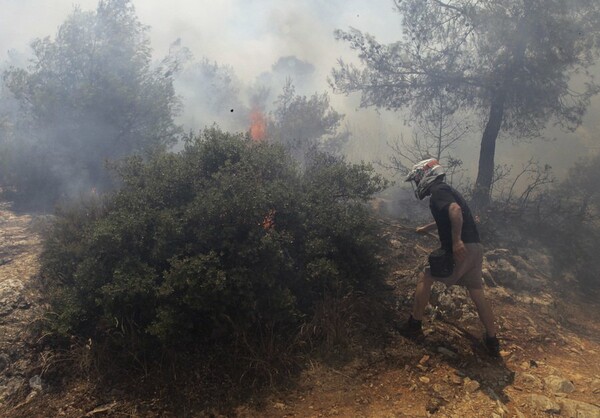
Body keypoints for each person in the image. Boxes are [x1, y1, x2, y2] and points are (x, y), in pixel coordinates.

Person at [399, 158, 500, 357]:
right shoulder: (445, 190)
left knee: (426, 276)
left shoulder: (438, 192)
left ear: (427, 175)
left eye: (418, 180)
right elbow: (450, 214)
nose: (418, 184)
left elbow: (455, 211)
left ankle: (414, 325)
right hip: (476, 248)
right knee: (477, 292)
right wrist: (425, 228)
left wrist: (456, 242)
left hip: (463, 248)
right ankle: (492, 341)